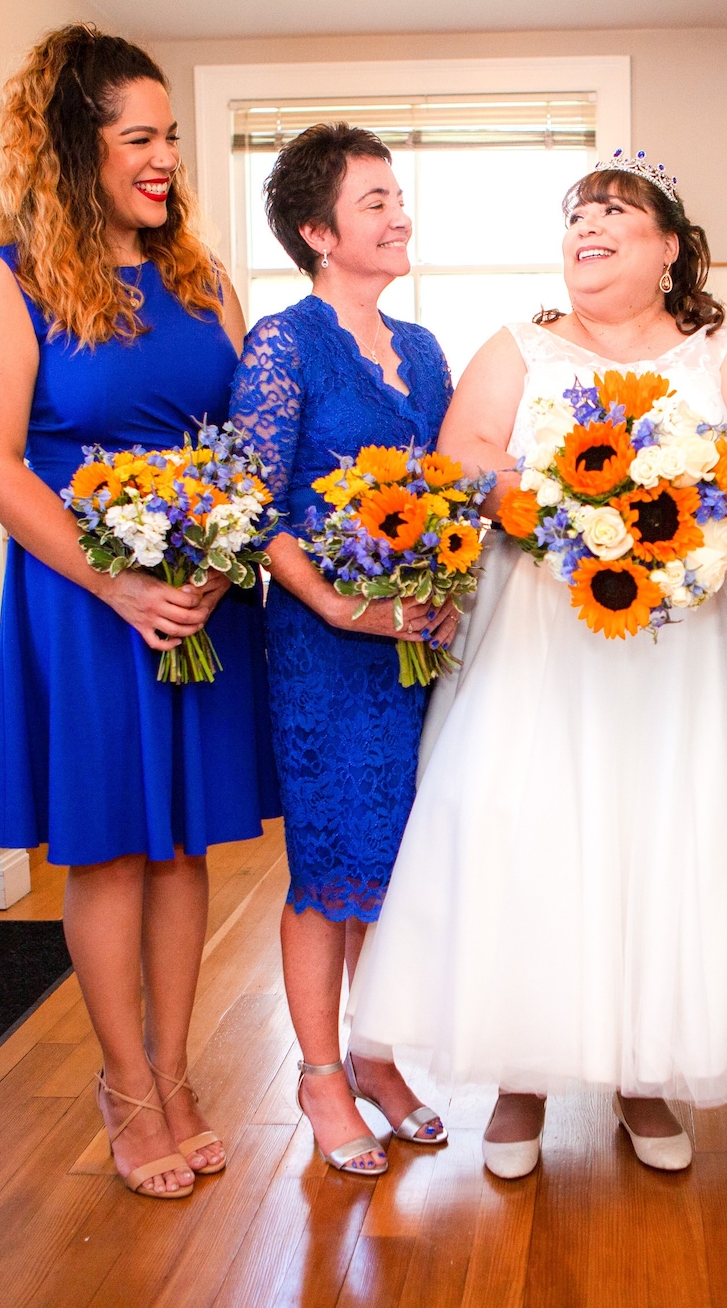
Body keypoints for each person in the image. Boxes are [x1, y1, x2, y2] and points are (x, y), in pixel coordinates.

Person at [348, 153, 727, 1179]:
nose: (588, 225)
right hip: (539, 636)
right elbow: (465, 454)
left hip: (684, 648)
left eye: (615, 210)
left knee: (663, 842)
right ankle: (519, 1078)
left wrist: (680, 519)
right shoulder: (517, 347)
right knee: (528, 837)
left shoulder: (724, 352)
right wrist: (560, 510)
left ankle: (644, 1076)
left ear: (669, 249)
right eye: (577, 214)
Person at [0, 25, 278, 1199]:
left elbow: (248, 440)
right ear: (69, 147)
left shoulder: (202, 280)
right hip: (84, 605)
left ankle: (176, 1074)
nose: (164, 160)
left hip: (197, 599)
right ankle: (126, 1087)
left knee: (183, 846)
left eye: (171, 137)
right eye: (139, 138)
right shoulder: (9, 283)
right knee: (107, 851)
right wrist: (115, 582)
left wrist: (216, 561)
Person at [230, 123, 455, 1177]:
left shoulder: (424, 350)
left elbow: (450, 489)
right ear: (318, 233)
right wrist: (333, 605)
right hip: (324, 649)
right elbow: (252, 502)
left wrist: (443, 590)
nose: (399, 215)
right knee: (330, 867)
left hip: (418, 650)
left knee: (397, 863)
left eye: (397, 197)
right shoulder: (284, 342)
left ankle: (377, 1054)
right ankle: (320, 1076)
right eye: (375, 201)